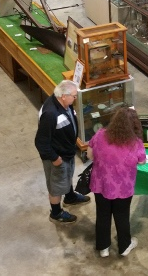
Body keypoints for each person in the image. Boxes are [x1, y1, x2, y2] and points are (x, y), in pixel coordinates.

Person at [86, 107, 146, 258]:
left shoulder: (100, 134)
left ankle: (103, 247)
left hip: (101, 183)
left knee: (102, 215)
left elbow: (90, 155)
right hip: (123, 188)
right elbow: (142, 161)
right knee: (122, 216)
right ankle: (124, 246)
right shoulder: (136, 143)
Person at [34, 79, 91, 225]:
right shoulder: (50, 114)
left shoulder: (64, 104)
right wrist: (55, 158)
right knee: (56, 186)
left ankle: (70, 197)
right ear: (64, 96)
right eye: (74, 96)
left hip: (67, 151)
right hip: (57, 157)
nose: (75, 98)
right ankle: (56, 213)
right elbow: (41, 142)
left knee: (66, 176)